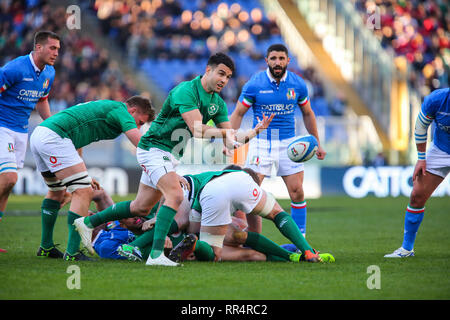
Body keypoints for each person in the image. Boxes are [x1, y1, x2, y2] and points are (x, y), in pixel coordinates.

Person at [74, 52, 273, 266]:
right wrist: (225, 133)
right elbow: (197, 129)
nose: (224, 80)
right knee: (175, 195)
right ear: (208, 70)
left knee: (141, 207)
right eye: (221, 74)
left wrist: (254, 132)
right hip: (153, 148)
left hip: (169, 155)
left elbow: (230, 141)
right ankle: (156, 255)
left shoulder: (218, 104)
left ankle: (88, 223)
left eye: (228, 77)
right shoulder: (186, 91)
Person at [30, 96, 155, 261]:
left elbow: (77, 140)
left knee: (56, 192)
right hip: (55, 137)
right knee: (83, 193)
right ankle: (73, 253)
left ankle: (46, 247)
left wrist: (83, 173)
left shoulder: (109, 108)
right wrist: (159, 155)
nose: (138, 126)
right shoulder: (121, 110)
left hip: (42, 134)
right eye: (140, 122)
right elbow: (138, 140)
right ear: (133, 111)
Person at [230, 44, 326, 238]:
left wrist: (317, 142)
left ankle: (301, 239)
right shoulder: (254, 84)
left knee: (297, 191)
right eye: (273, 58)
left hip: (289, 145)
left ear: (288, 61)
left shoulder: (298, 84)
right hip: (261, 143)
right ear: (267, 61)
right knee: (250, 192)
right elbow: (238, 113)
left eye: (281, 58)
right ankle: (252, 237)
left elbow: (308, 113)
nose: (277, 62)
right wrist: (229, 140)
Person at [167, 167, 334, 263]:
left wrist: (200, 238)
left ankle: (194, 245)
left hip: (210, 196)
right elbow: (254, 234)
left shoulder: (203, 182)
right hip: (241, 182)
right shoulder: (241, 180)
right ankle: (307, 251)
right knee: (276, 214)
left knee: (214, 251)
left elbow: (194, 229)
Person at [0, 31, 60, 222]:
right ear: (38, 47)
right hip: (3, 127)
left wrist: (51, 125)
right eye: (52, 48)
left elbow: (42, 100)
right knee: (9, 178)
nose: (56, 53)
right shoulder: (15, 68)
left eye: (58, 49)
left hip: (21, 131)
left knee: (7, 186)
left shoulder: (49, 72)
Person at [385, 88, 449, 258]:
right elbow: (421, 126)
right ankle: (406, 249)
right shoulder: (436, 100)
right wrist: (421, 158)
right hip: (441, 150)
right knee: (417, 195)